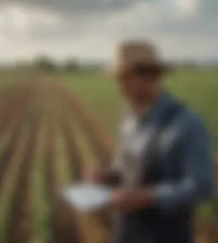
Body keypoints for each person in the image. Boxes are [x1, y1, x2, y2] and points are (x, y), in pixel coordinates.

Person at [85, 40, 215, 243]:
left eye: (123, 79)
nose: (120, 88)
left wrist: (148, 197)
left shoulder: (187, 124)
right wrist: (107, 176)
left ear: (145, 76)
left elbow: (202, 186)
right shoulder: (129, 119)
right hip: (126, 233)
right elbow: (124, 170)